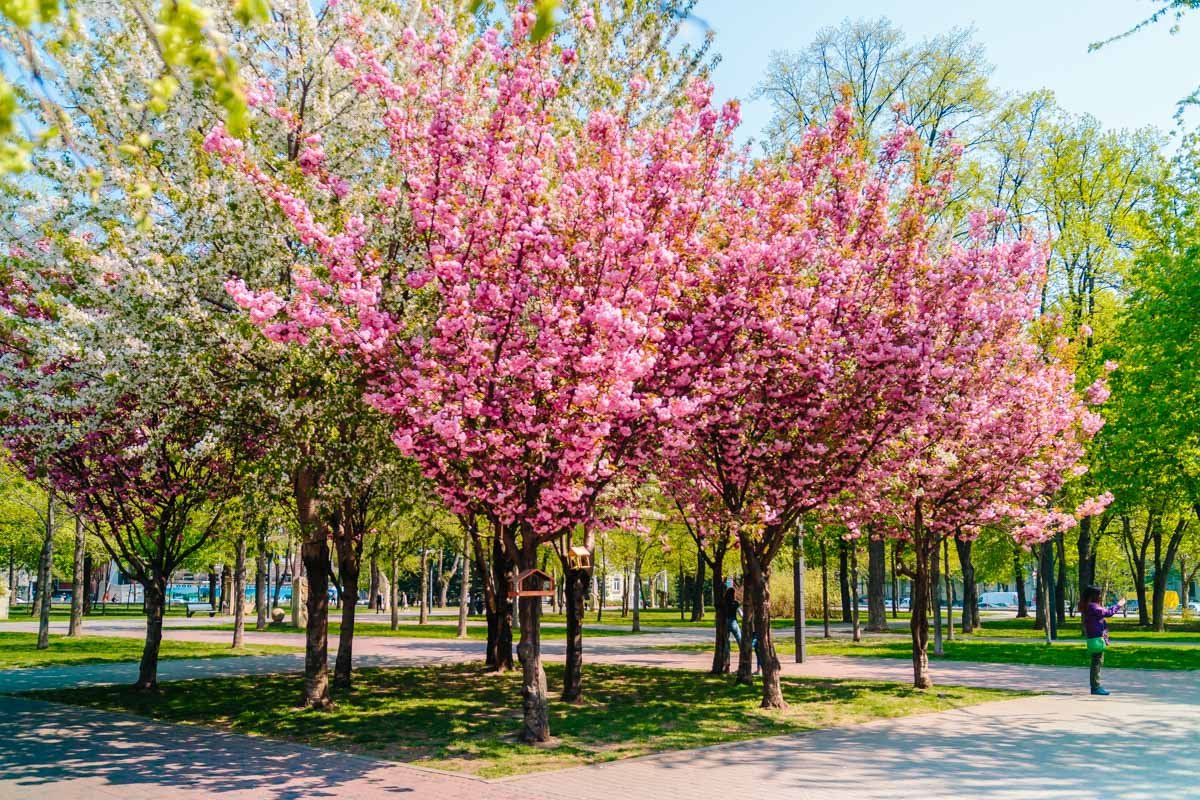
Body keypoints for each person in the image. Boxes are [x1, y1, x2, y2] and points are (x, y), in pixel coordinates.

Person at [1080, 586, 1125, 696]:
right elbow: (1108, 612)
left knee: (1096, 661)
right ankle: (1095, 687)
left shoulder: (1089, 606)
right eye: (1099, 594)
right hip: (1096, 638)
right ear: (1093, 596)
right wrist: (1119, 605)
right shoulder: (1093, 607)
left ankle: (1095, 686)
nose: (1100, 596)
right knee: (1097, 662)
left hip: (1094, 637)